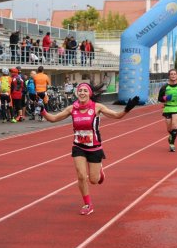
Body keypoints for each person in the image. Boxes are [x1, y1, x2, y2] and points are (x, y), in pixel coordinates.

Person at [41, 83, 139, 215]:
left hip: (94, 147)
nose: (82, 93)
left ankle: (99, 172)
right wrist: (42, 110)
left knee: (94, 180)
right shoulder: (72, 108)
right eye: (79, 90)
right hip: (78, 146)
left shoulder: (97, 107)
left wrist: (128, 108)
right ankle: (88, 204)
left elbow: (117, 116)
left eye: (85, 91)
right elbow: (53, 119)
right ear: (76, 93)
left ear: (89, 94)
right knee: (81, 176)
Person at [158, 69, 177, 152]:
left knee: (175, 126)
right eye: (171, 74)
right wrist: (165, 98)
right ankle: (171, 136)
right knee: (169, 129)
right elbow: (159, 98)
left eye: (175, 74)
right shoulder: (164, 87)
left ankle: (172, 144)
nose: (173, 75)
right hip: (167, 107)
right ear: (169, 76)